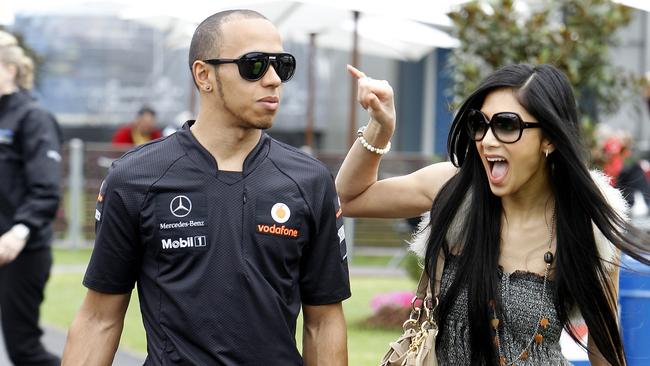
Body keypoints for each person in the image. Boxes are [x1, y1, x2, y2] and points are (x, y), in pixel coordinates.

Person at [62, 9, 350, 365]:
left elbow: (323, 322)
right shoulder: (135, 178)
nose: (274, 79)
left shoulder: (310, 180)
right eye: (255, 65)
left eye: (283, 65)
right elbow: (99, 318)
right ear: (204, 75)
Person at [337, 63, 650, 365]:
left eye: (507, 125)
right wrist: (380, 127)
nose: (487, 140)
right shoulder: (457, 189)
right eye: (480, 124)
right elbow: (350, 198)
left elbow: (604, 347)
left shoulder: (585, 222)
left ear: (550, 138)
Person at [0, 31, 62, 366]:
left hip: (21, 251)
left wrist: (19, 231)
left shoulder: (32, 117)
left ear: (9, 68)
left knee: (24, 350)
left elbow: (47, 189)